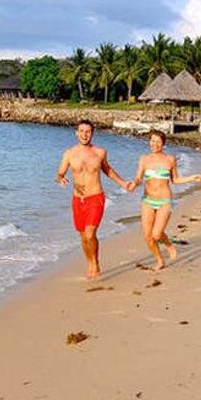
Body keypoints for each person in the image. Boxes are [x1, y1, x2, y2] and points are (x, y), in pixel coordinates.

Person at [56, 120, 134, 280]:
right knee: (84, 237)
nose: (84, 135)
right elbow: (60, 173)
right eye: (81, 131)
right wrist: (61, 179)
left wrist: (123, 183)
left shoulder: (100, 152)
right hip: (78, 200)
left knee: (90, 234)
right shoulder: (69, 153)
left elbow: (108, 170)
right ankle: (90, 262)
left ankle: (95, 263)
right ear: (76, 133)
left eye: (88, 131)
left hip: (95, 197)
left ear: (92, 133)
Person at [133, 130, 201, 270]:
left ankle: (169, 245)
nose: (155, 144)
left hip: (164, 200)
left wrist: (191, 178)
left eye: (158, 141)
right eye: (152, 141)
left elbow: (175, 180)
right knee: (148, 236)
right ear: (149, 141)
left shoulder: (169, 159)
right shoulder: (144, 159)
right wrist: (133, 184)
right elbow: (139, 178)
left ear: (163, 143)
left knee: (157, 234)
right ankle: (159, 260)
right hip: (147, 200)